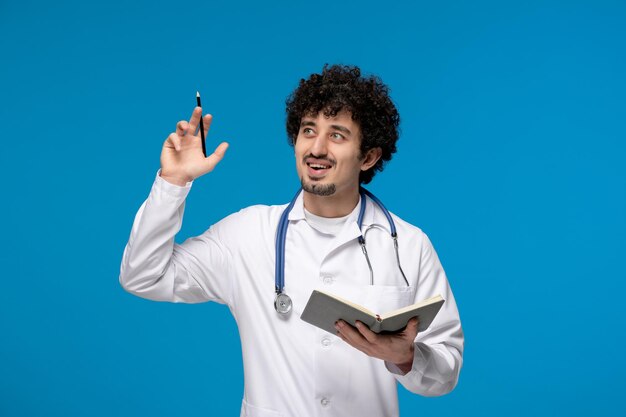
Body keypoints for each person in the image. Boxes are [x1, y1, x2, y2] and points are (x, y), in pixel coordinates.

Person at [119, 64, 464, 417]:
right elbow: (143, 276)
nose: (316, 148)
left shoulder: (408, 245)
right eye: (308, 130)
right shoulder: (247, 233)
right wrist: (173, 183)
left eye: (338, 135)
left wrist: (404, 358)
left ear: (369, 156)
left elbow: (445, 373)